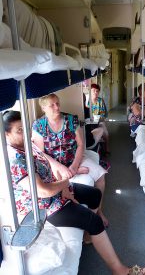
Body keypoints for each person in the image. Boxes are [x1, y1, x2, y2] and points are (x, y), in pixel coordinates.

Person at [4, 110, 145, 275]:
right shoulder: (16, 159)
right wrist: (65, 183)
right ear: (6, 135)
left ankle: (89, 236)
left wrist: (65, 187)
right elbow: (42, 191)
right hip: (41, 208)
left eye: (25, 127)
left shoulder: (29, 147)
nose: (26, 133)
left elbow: (50, 168)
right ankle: (119, 270)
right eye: (19, 130)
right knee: (94, 221)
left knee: (94, 194)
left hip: (55, 192)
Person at [32, 93, 108, 227]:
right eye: (52, 105)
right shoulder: (38, 126)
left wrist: (74, 165)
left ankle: (98, 212)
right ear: (44, 108)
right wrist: (60, 167)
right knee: (61, 176)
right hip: (53, 164)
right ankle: (76, 172)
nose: (57, 107)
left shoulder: (71, 120)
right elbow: (41, 153)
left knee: (101, 175)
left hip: (73, 158)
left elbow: (80, 145)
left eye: (58, 103)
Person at [88, 83, 110, 153]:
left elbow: (102, 116)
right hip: (89, 122)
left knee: (105, 133)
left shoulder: (100, 101)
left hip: (99, 121)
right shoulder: (86, 102)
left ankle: (106, 149)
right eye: (93, 90)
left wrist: (96, 119)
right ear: (90, 91)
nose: (95, 92)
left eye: (97, 91)